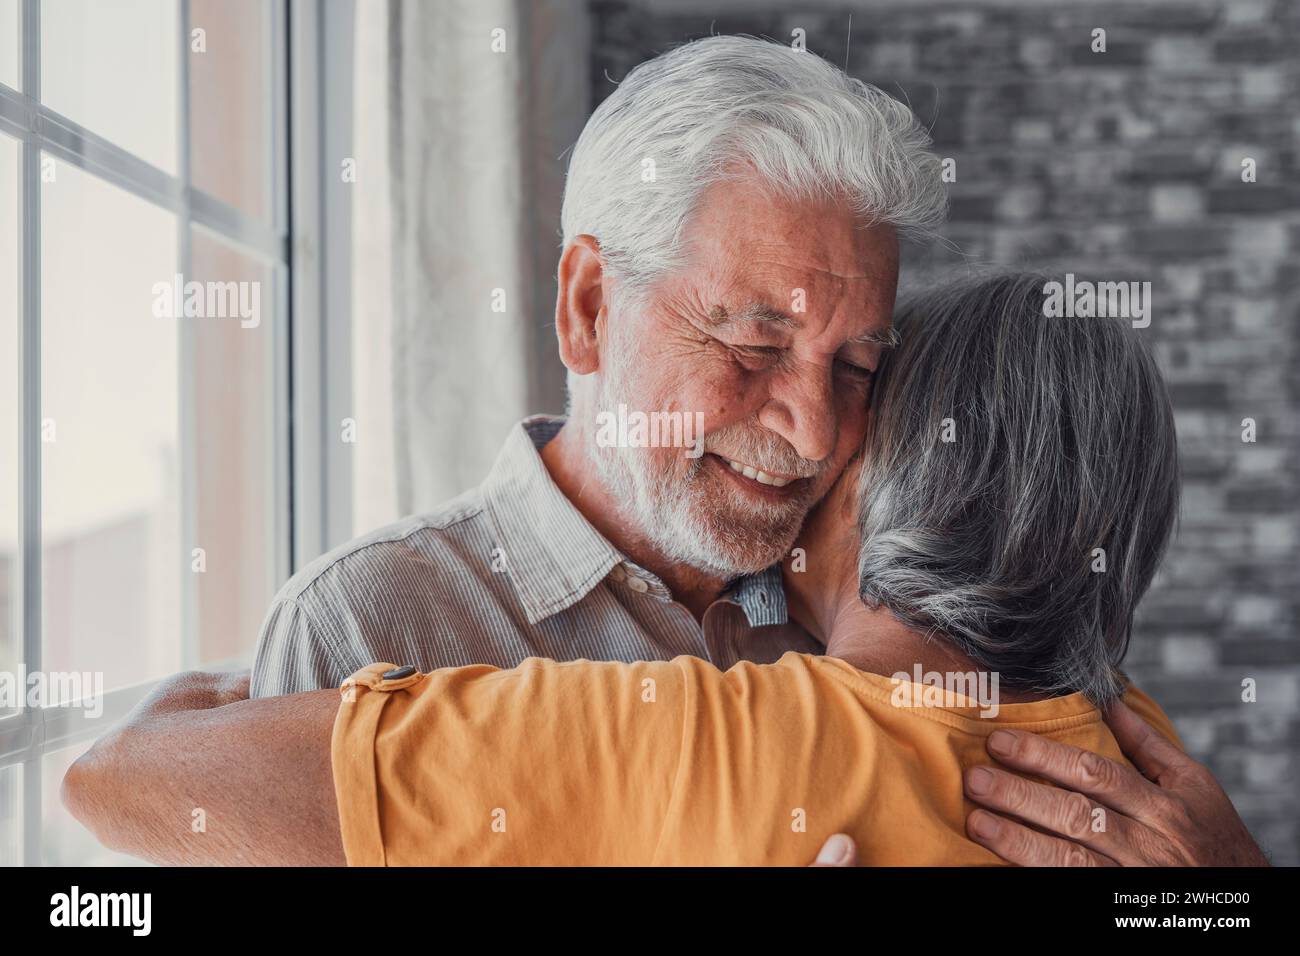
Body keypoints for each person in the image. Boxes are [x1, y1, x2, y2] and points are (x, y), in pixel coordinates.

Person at [61, 274, 1268, 866]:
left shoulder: (701, 742)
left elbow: (114, 784)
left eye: (855, 388)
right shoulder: (1147, 779)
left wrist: (183, 704)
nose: (801, 431)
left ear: (901, 473)